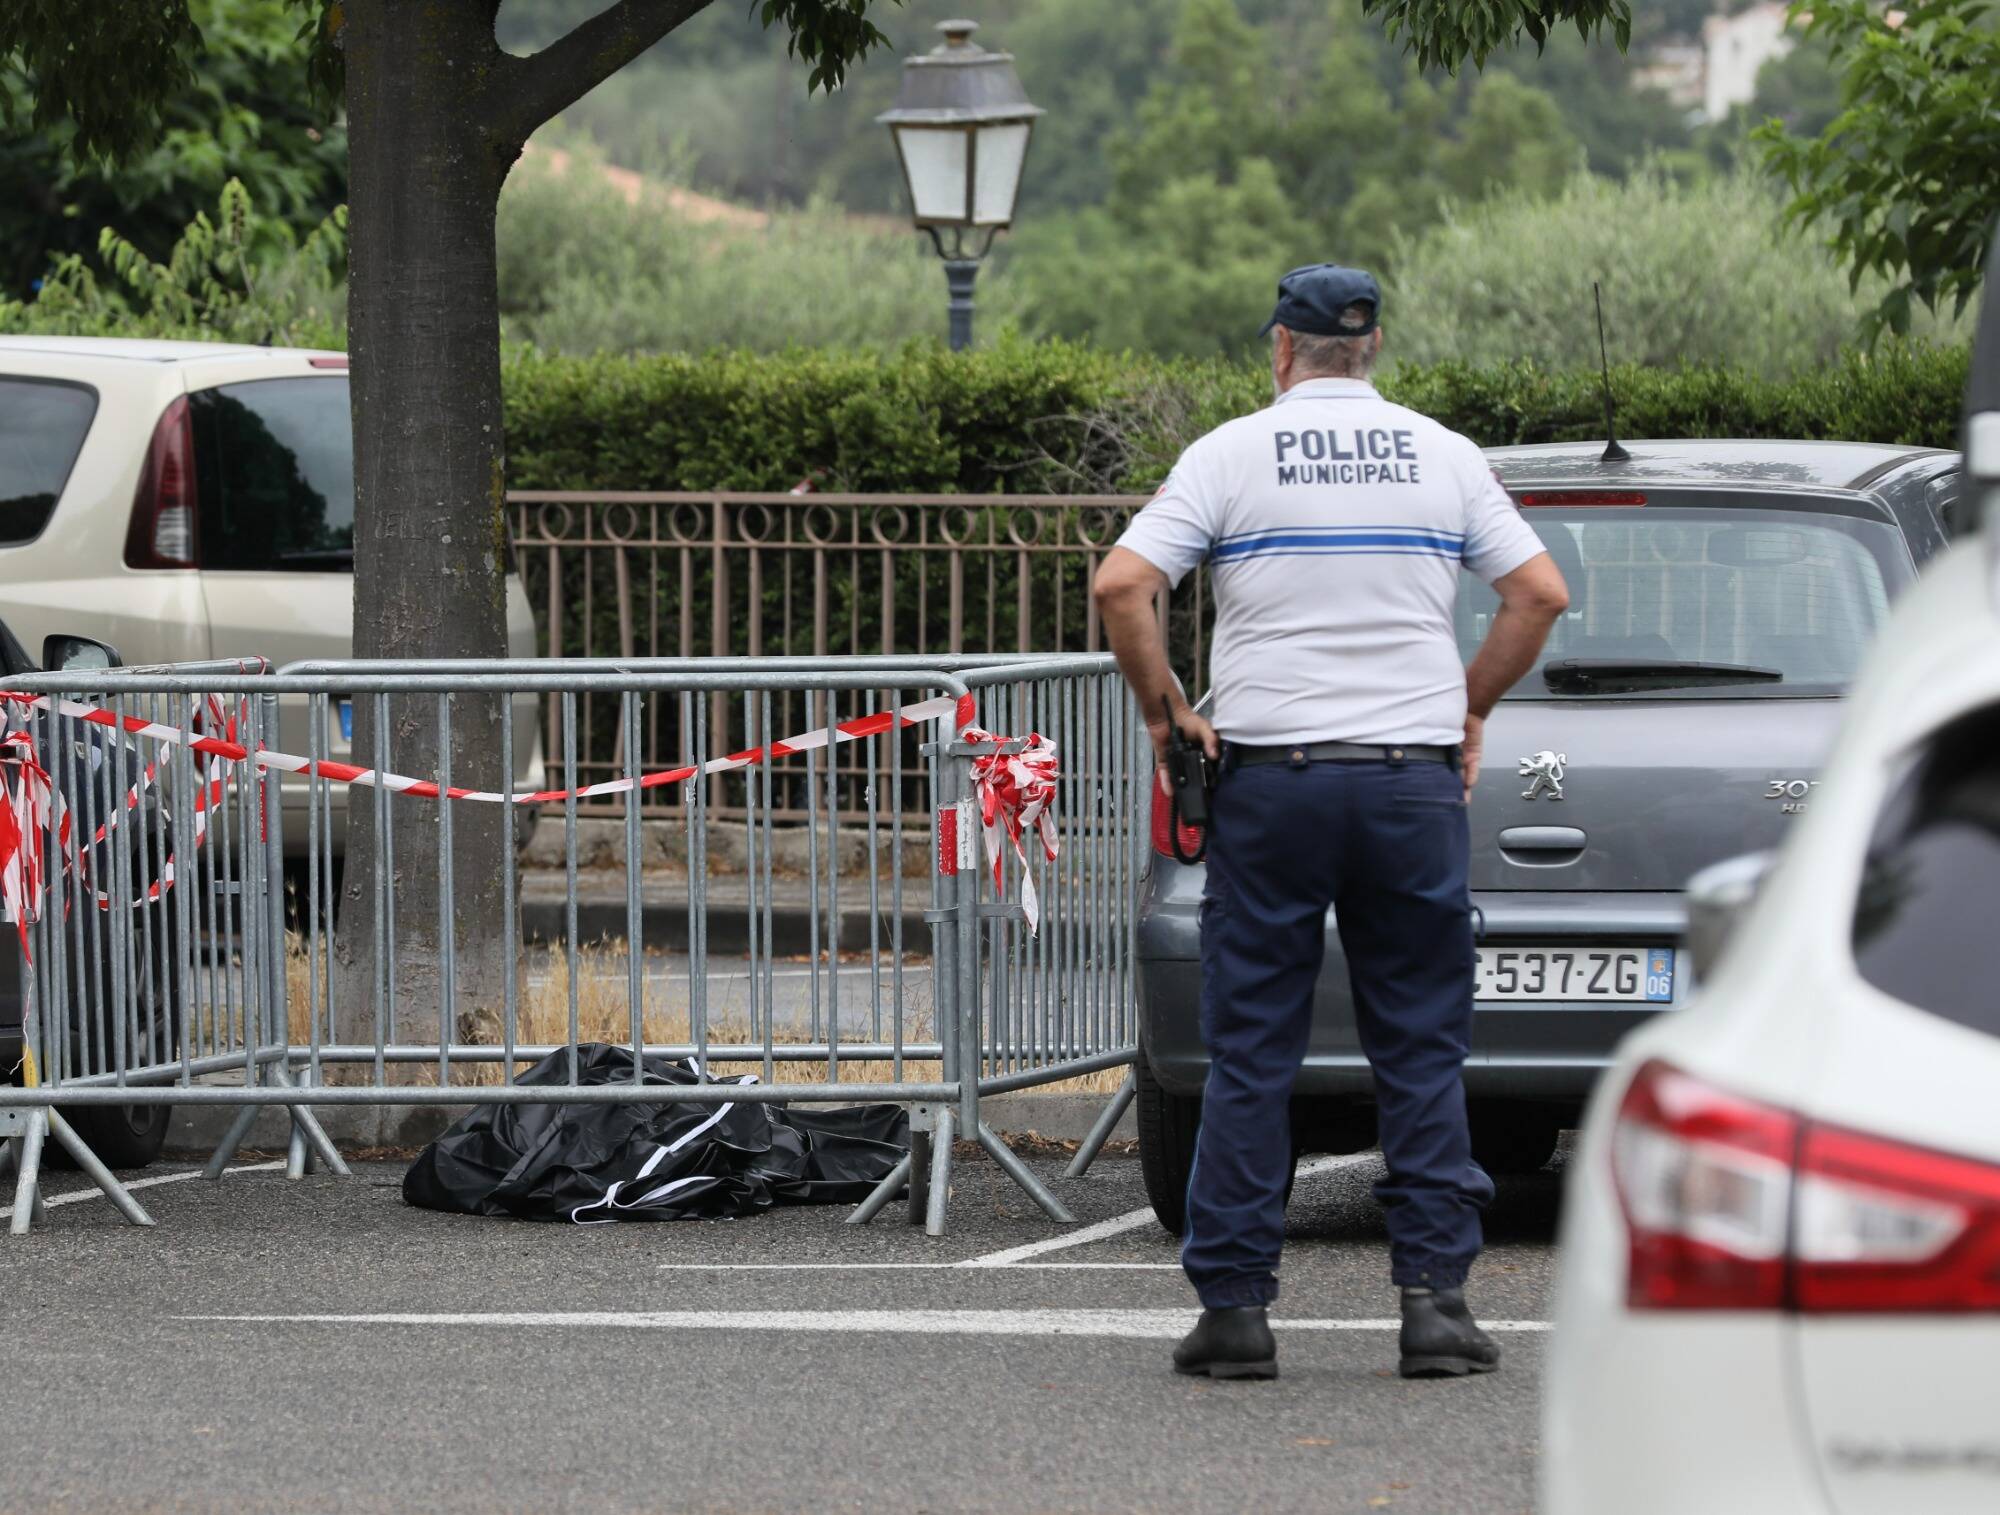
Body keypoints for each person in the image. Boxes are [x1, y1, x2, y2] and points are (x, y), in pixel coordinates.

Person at [1092, 264, 1570, 1382]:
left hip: (1273, 781)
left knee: (1251, 1050)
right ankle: (1434, 1309)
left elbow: (1123, 587)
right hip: (1408, 782)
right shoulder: (1441, 454)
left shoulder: (1228, 454)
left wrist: (1170, 715)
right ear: (1371, 348)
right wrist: (1467, 705)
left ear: (1279, 349)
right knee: (1418, 1044)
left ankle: (1234, 1314)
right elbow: (1537, 593)